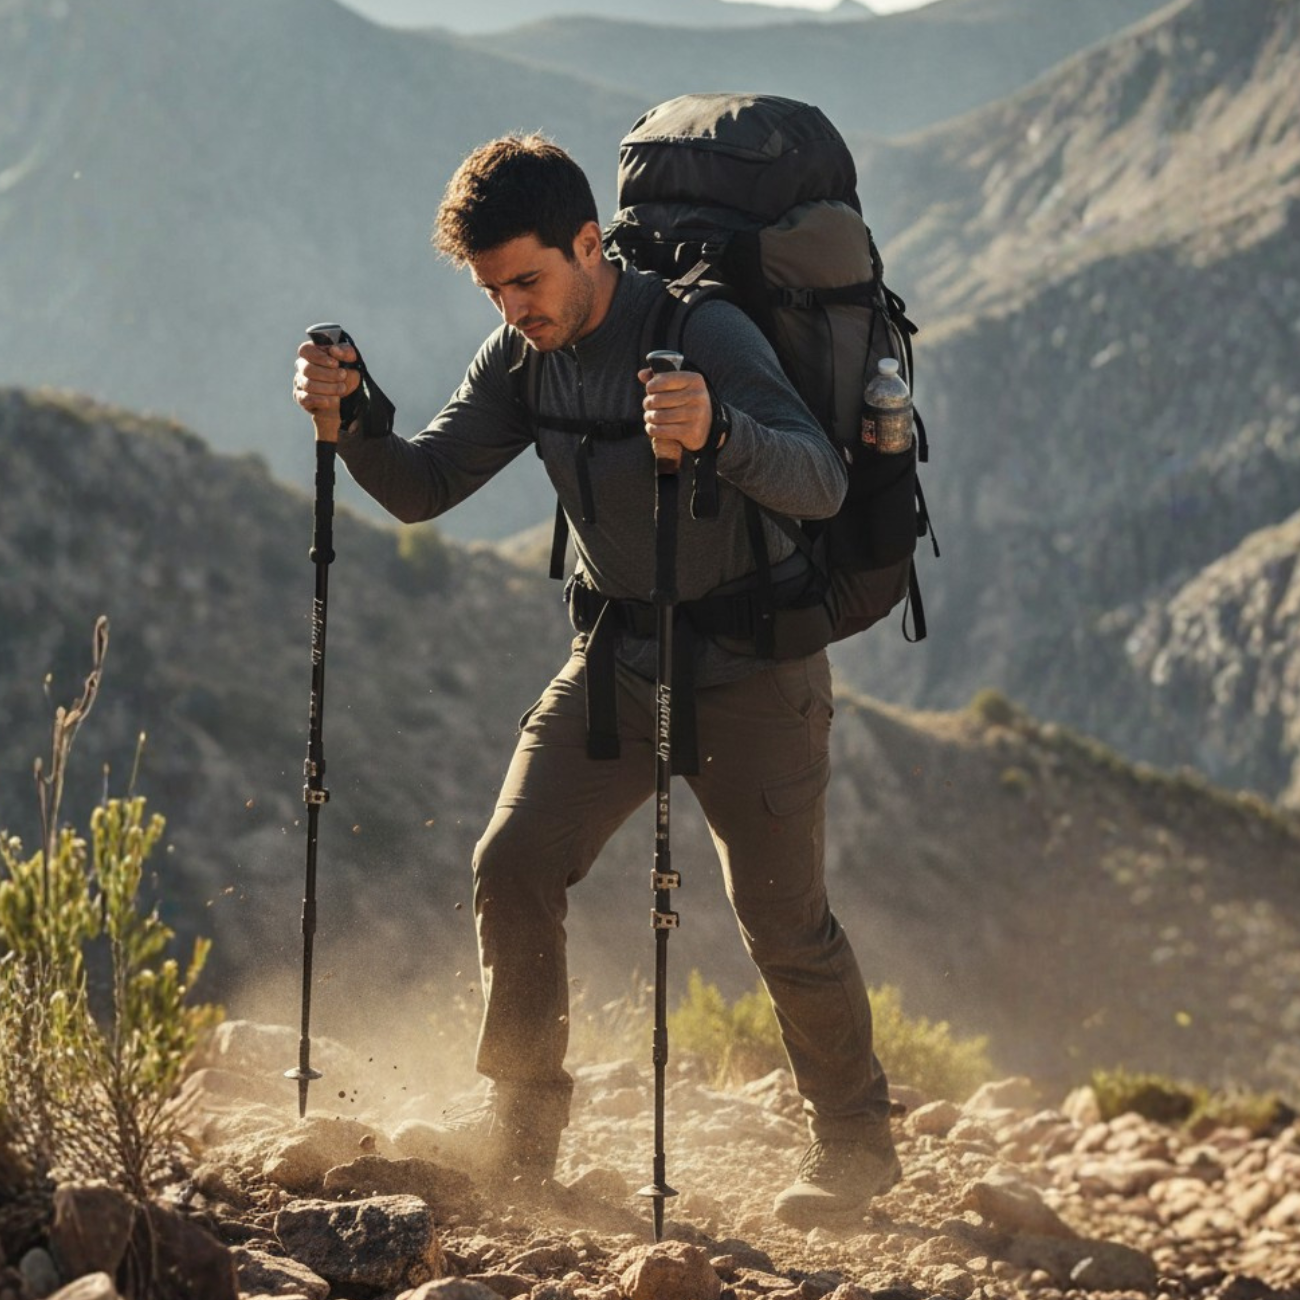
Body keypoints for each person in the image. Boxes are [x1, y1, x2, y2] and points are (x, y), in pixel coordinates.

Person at [292, 134, 900, 1228]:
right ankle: (523, 1132)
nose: (513, 308)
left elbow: (819, 481)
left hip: (755, 666)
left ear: (588, 244)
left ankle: (855, 1145)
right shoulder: (520, 357)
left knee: (782, 921)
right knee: (513, 860)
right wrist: (357, 416)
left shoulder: (702, 331)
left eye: (527, 281)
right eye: (493, 290)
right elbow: (426, 485)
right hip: (618, 658)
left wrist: (718, 429)